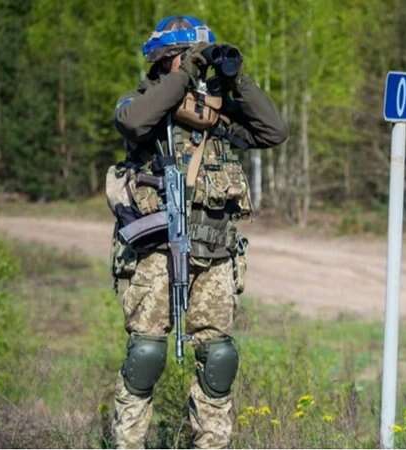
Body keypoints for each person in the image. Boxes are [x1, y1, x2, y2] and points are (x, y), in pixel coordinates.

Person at [106, 15, 287, 449]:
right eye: (184, 59)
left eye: (198, 60)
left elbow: (273, 131)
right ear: (164, 62)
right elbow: (134, 124)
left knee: (219, 358)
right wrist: (185, 71)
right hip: (155, 252)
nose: (196, 68)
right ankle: (126, 443)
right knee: (146, 356)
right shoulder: (142, 105)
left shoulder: (216, 115)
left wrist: (236, 78)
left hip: (216, 252)